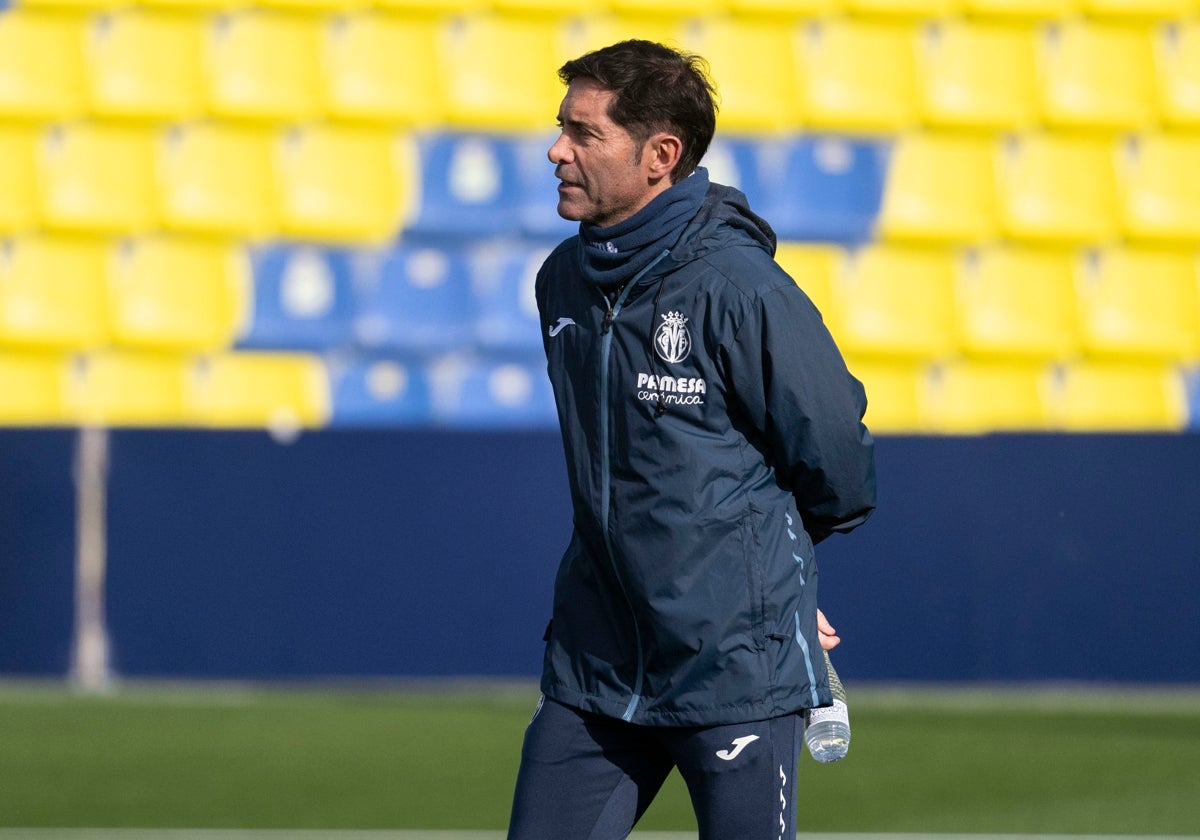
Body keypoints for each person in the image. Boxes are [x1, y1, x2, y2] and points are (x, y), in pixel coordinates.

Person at [507, 39, 876, 839]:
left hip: (733, 667)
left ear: (659, 155)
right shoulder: (559, 282)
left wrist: (777, 578)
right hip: (597, 662)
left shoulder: (740, 288)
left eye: (583, 132)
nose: (555, 149)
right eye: (560, 126)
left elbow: (839, 464)